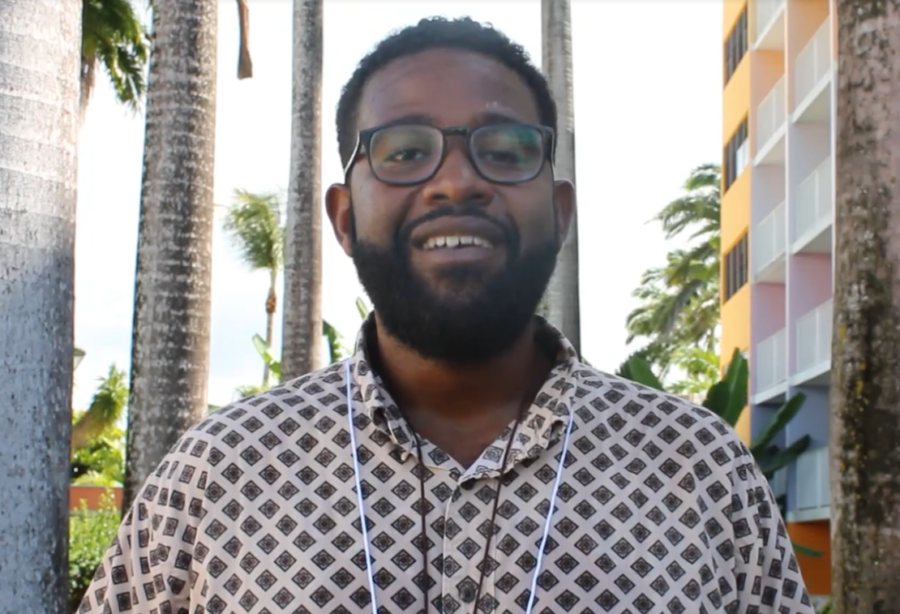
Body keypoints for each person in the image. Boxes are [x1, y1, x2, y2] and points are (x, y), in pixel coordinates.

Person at [79, 17, 815, 614]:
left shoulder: (696, 470)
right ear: (344, 217)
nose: (456, 182)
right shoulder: (220, 473)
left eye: (506, 150)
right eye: (404, 152)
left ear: (559, 213)